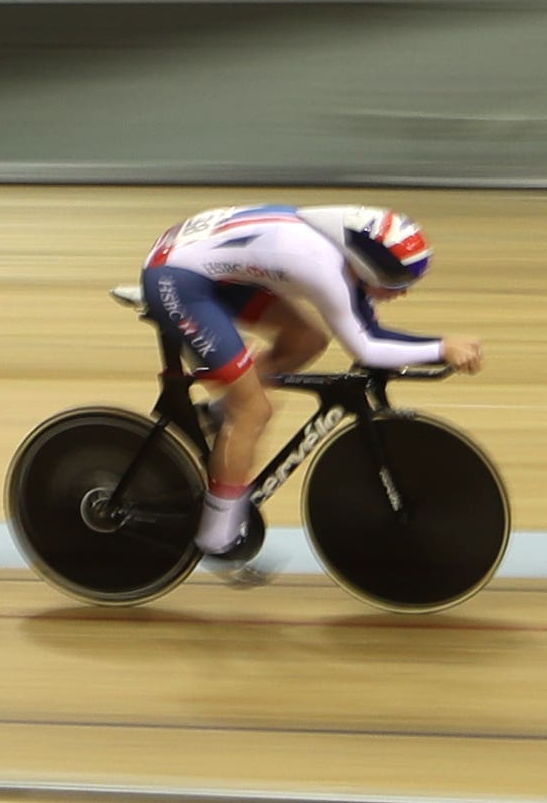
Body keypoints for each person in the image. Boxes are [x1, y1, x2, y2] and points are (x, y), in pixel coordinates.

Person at [139, 204, 483, 561]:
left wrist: (436, 348)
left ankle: (221, 414)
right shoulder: (323, 265)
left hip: (205, 265)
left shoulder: (342, 250)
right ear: (366, 266)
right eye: (398, 282)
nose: (403, 292)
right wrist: (441, 348)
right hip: (178, 281)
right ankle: (216, 539)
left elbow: (367, 329)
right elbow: (367, 347)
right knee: (254, 411)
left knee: (306, 340)